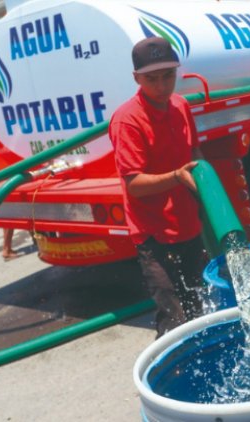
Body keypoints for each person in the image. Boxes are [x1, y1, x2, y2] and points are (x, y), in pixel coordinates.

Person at [109, 37, 208, 338]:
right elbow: (134, 185)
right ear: (136, 78)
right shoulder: (128, 120)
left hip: (188, 224)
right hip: (153, 233)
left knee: (201, 305)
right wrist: (177, 176)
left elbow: (195, 154)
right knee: (173, 316)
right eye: (152, 79)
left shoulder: (181, 106)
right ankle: (171, 380)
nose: (162, 86)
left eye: (169, 76)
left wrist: (208, 198)